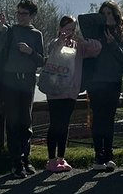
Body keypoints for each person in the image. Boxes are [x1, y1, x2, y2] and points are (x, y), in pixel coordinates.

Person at [0, 0, 45, 178]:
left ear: (32, 16)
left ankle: (25, 159)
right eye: (18, 13)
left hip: (28, 81)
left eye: (24, 13)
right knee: (13, 122)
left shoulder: (36, 34)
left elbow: (41, 61)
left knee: (26, 122)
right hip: (10, 81)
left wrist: (30, 52)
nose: (20, 16)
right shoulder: (12, 30)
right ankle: (16, 163)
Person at [41, 15, 101, 172]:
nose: (70, 32)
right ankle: (51, 159)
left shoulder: (78, 46)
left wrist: (80, 39)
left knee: (64, 124)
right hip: (55, 91)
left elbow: (97, 48)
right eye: (67, 29)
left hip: (71, 91)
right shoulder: (55, 43)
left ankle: (61, 157)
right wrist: (61, 41)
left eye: (73, 29)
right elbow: (52, 52)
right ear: (60, 29)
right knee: (55, 123)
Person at [78, 0, 123, 171]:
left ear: (116, 16)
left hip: (113, 82)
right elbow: (82, 19)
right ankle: (98, 156)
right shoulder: (94, 33)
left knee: (109, 120)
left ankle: (109, 155)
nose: (107, 17)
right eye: (104, 13)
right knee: (98, 119)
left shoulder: (120, 36)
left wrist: (112, 43)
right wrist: (100, 20)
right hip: (96, 82)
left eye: (110, 13)